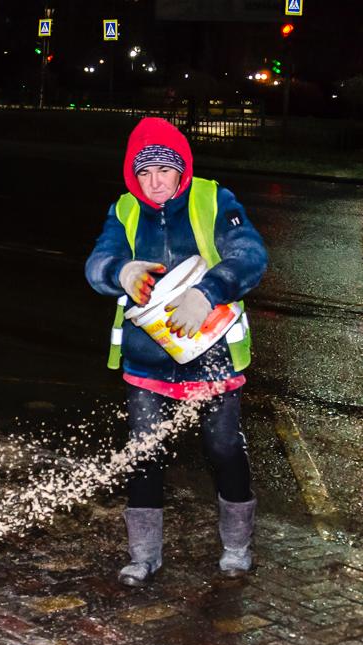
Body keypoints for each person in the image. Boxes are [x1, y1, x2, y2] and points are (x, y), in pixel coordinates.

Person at [85, 117, 268, 586]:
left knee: (223, 446)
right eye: (144, 173)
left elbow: (250, 255)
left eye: (164, 170)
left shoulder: (212, 199)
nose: (155, 182)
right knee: (145, 451)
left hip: (212, 351)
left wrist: (209, 291)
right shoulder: (125, 209)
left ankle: (237, 546)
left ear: (181, 168)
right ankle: (143, 555)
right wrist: (120, 272)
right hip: (148, 357)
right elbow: (97, 263)